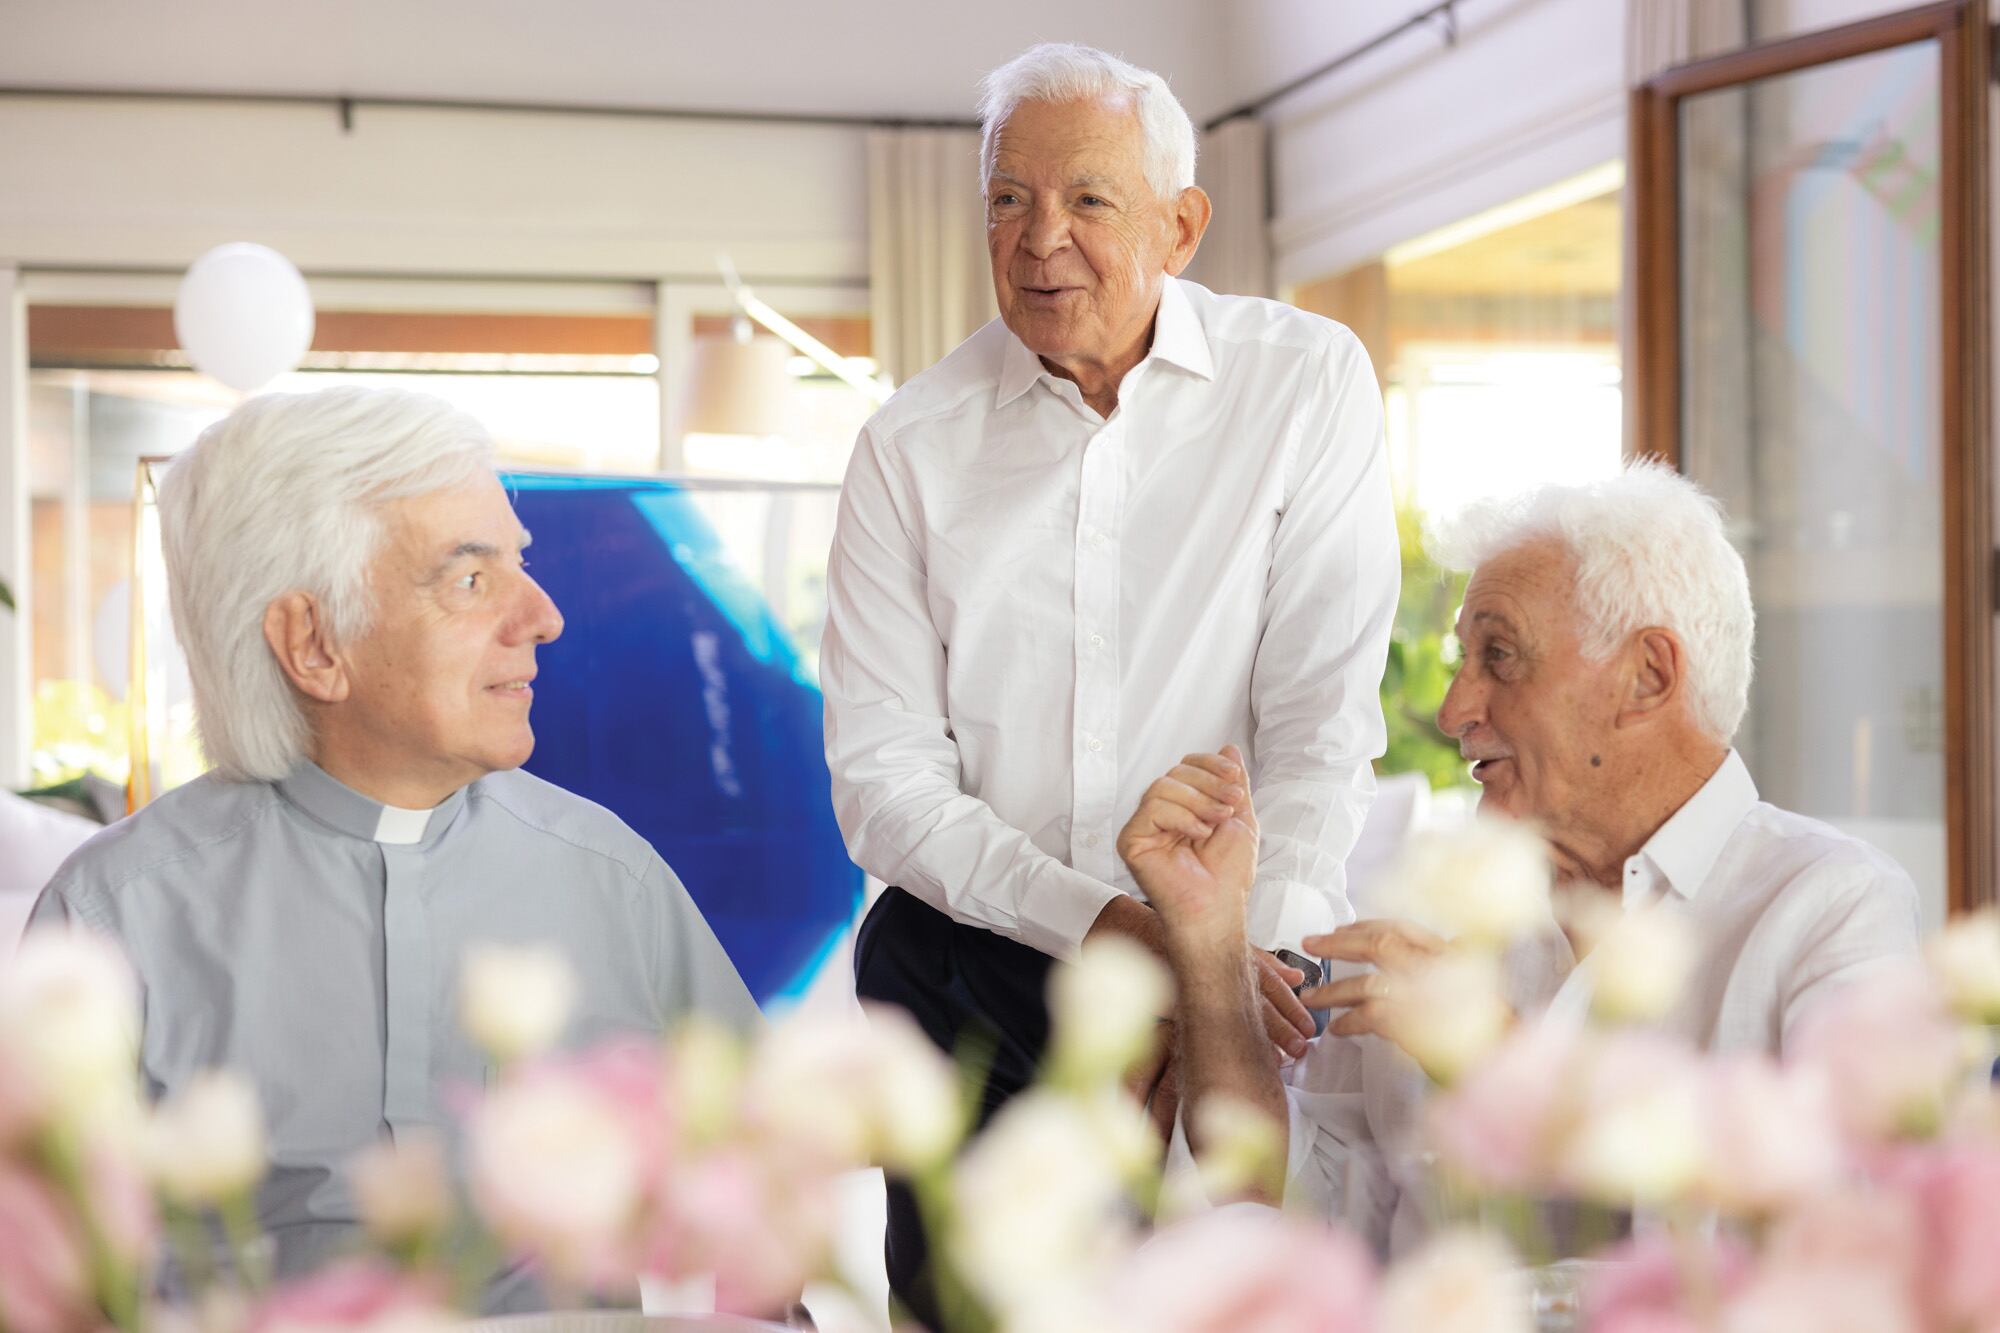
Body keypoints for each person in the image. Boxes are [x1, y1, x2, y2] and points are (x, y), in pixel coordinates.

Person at [820, 41, 1398, 1315]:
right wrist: (1119, 931)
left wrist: (1227, 982)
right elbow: (884, 789)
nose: (1039, 241)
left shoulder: (1303, 384)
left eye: (1087, 200)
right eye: (1007, 201)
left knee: (1214, 1300)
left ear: (1179, 226)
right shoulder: (907, 448)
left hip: (1227, 959)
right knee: (977, 1310)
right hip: (973, 964)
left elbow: (1318, 716)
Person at [29, 386, 758, 1305]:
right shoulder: (109, 919)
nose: (542, 616)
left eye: (517, 566)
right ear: (313, 643)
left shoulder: (612, 878)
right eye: (469, 578)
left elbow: (761, 1206)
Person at [1121, 462, 1922, 1253]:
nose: (1452, 710)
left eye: (1499, 656)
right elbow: (1286, 1210)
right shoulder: (1431, 914)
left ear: (1647, 675)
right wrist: (1208, 940)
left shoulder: (1833, 906)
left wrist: (1507, 1060)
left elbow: (1837, 1238)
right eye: (1460, 660)